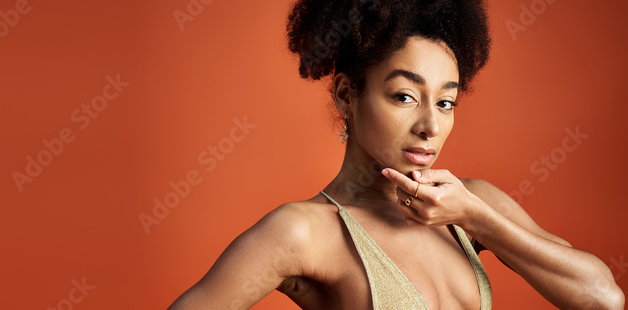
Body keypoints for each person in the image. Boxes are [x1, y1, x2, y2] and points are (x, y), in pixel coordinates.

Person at [168, 0, 625, 309]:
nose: (430, 124)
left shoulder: (472, 203)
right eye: (405, 96)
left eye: (446, 102)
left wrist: (479, 219)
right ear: (348, 95)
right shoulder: (306, 232)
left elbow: (603, 298)